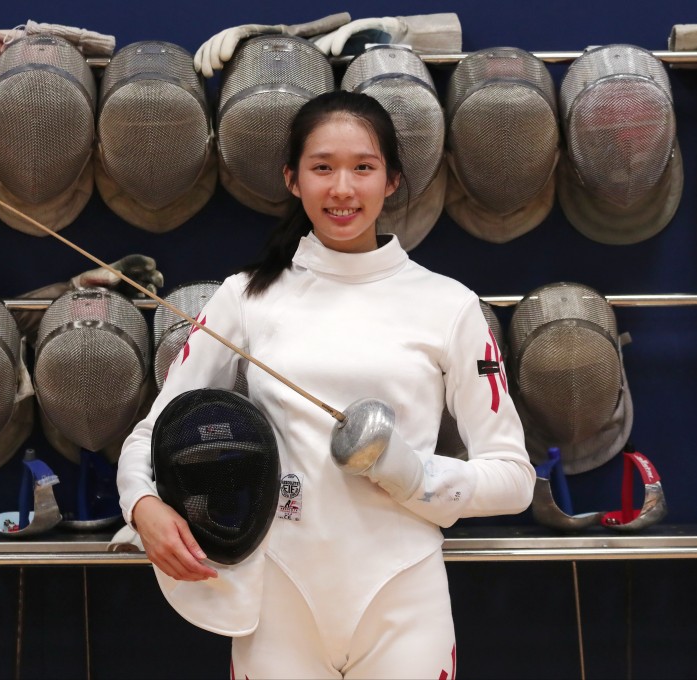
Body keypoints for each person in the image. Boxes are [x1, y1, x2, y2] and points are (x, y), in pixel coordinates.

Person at [116, 90, 536, 679]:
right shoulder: (245, 297)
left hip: (403, 602)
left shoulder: (449, 306)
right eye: (322, 168)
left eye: (363, 167)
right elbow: (153, 433)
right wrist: (142, 506)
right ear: (293, 179)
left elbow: (514, 479)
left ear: (391, 180)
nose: (342, 188)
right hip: (278, 602)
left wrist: (407, 471)